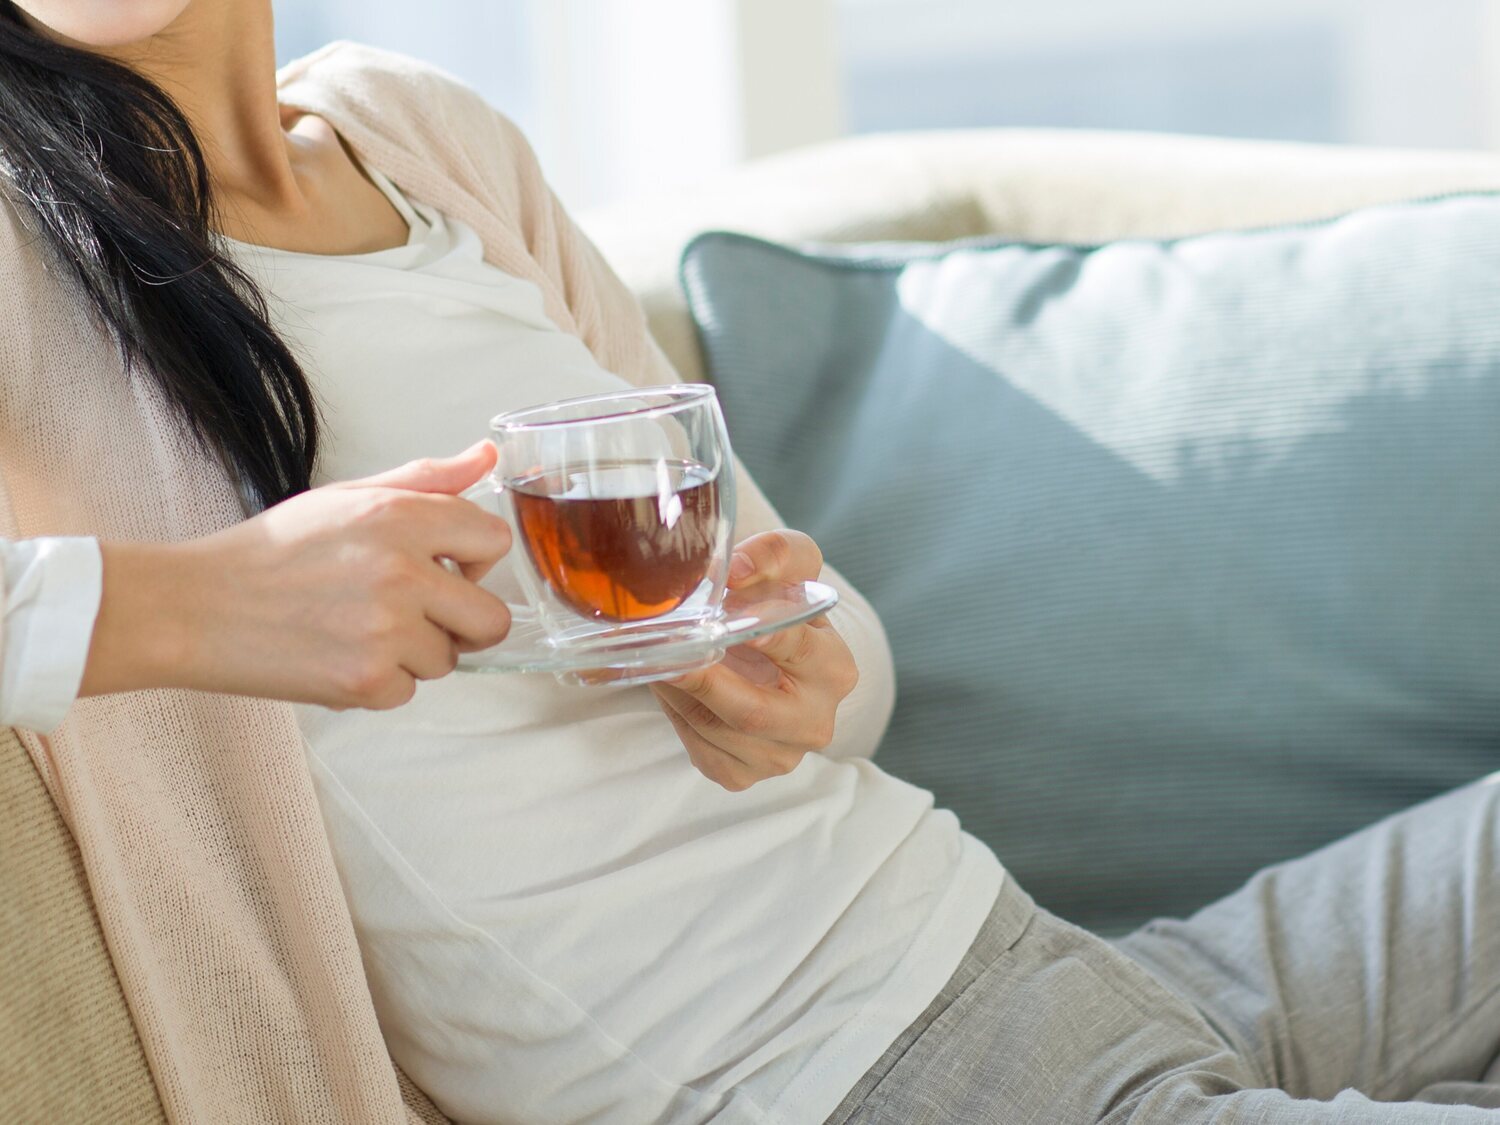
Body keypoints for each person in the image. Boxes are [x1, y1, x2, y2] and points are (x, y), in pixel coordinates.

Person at [2, 2, 1499, 1122]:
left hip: (1036, 957)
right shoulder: (30, 254)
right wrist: (203, 602)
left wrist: (793, 679)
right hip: (835, 1082)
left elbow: (804, 602)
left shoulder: (421, 134)